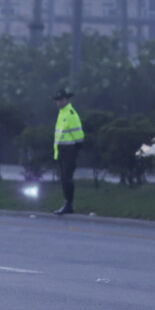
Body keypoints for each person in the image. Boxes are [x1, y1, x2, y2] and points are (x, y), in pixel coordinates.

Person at [52, 86, 85, 215]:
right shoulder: (62, 113)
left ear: (67, 100)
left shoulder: (70, 114)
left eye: (61, 100)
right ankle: (67, 203)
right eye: (57, 100)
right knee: (64, 178)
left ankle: (69, 204)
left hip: (69, 150)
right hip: (62, 150)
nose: (58, 102)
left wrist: (76, 148)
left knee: (67, 178)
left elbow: (78, 135)